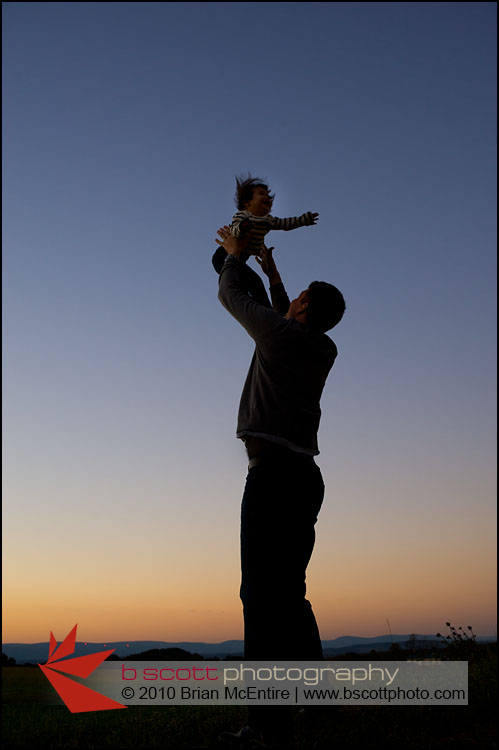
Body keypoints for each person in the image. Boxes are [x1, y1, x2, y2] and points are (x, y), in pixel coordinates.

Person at [214, 226, 346, 748]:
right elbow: (280, 312)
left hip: (271, 481)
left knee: (261, 599)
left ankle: (265, 728)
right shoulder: (320, 346)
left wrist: (232, 259)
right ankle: (317, 703)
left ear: (305, 304)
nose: (288, 301)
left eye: (297, 297)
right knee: (290, 596)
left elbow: (231, 296)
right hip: (304, 481)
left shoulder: (281, 335)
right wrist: (270, 270)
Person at [212, 174, 319, 269]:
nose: (266, 197)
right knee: (232, 273)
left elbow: (286, 224)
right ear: (247, 202)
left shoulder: (269, 220)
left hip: (241, 259)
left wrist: (304, 220)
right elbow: (234, 230)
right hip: (225, 254)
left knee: (256, 284)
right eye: (261, 194)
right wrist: (242, 228)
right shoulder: (243, 215)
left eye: (267, 196)